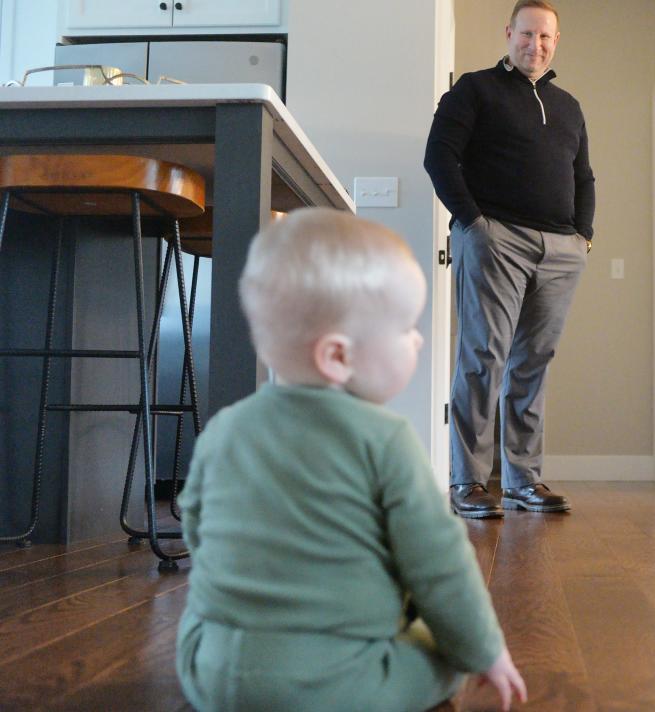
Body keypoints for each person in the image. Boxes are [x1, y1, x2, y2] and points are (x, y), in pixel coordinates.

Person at [175, 208, 526, 712]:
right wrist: (485, 652)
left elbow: (196, 527)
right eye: (406, 328)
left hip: (209, 672)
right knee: (443, 652)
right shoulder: (385, 440)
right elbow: (439, 566)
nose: (419, 339)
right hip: (331, 685)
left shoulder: (225, 427)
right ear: (338, 356)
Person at [424, 0, 595, 519]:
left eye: (545, 37)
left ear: (556, 41)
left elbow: (584, 176)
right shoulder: (475, 89)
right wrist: (475, 224)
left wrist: (582, 237)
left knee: (533, 364)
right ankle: (469, 484)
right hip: (497, 239)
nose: (535, 45)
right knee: (484, 358)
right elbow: (439, 156)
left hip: (561, 249)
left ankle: (523, 480)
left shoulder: (568, 105)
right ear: (509, 33)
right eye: (526, 34)